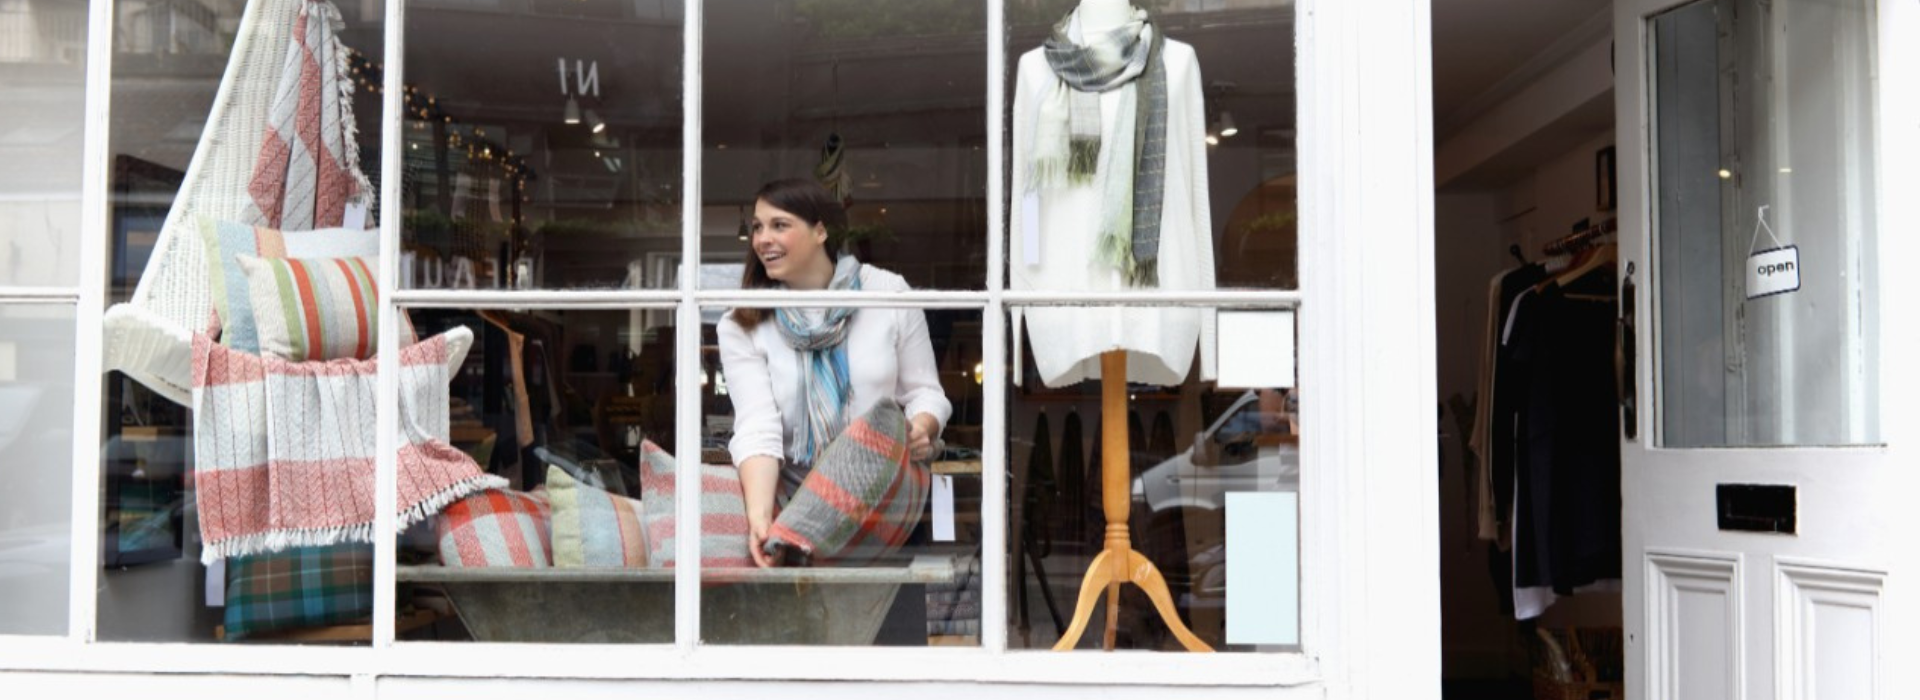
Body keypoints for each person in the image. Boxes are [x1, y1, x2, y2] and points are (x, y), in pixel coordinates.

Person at [717, 178, 952, 568]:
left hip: (885, 506)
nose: (762, 239)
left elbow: (926, 393)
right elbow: (758, 426)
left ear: (820, 231)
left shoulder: (887, 294)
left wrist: (921, 428)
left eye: (779, 225)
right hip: (797, 512)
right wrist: (760, 516)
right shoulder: (744, 321)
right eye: (757, 227)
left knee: (889, 628)